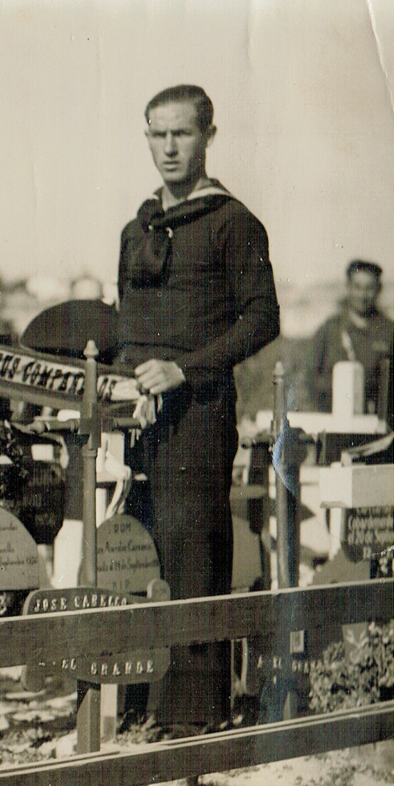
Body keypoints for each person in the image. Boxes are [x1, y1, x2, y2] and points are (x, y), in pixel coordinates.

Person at [115, 85, 281, 735]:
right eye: (158, 134)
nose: (169, 148)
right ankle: (138, 704)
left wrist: (185, 370)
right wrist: (130, 385)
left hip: (201, 414)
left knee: (193, 555)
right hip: (139, 416)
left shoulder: (232, 222)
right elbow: (128, 321)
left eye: (181, 134)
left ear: (209, 135)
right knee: (138, 552)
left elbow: (263, 318)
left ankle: (193, 715)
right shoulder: (137, 228)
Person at [307, 259, 394, 418]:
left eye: (369, 288)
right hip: (332, 421)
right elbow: (308, 378)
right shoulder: (330, 329)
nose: (363, 295)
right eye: (357, 287)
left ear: (379, 289)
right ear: (348, 287)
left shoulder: (390, 332)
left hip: (377, 424)